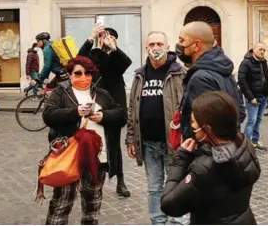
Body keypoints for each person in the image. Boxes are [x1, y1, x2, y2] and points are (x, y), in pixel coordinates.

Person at [42, 56, 126, 225]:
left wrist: (103, 116)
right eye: (78, 73)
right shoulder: (61, 92)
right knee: (61, 203)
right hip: (69, 156)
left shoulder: (101, 93)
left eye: (88, 73)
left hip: (97, 158)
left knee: (92, 204)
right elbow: (48, 115)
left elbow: (121, 115)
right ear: (70, 74)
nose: (84, 77)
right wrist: (75, 112)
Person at [161, 91, 261, 224]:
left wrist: (180, 160)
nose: (192, 127)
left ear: (207, 129)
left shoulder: (204, 168)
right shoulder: (244, 146)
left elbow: (169, 205)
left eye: (194, 124)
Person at [125, 31, 186, 225]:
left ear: (168, 47)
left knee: (175, 186)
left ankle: (178, 222)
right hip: (148, 142)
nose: (156, 48)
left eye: (160, 43)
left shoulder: (180, 73)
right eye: (152, 44)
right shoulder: (140, 75)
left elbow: (189, 106)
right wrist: (131, 139)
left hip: (173, 143)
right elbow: (132, 109)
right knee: (154, 188)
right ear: (146, 48)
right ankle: (158, 222)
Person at [78, 24, 133, 197]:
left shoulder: (118, 56)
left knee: (114, 146)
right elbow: (79, 59)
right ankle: (91, 180)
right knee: (91, 143)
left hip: (114, 107)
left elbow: (127, 62)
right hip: (95, 103)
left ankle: (120, 181)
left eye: (111, 37)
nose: (107, 40)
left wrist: (113, 47)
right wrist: (91, 38)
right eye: (104, 37)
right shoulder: (94, 56)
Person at [177, 21, 245, 139]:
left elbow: (202, 125)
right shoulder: (222, 69)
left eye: (182, 40)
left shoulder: (200, 78)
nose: (178, 44)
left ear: (196, 45)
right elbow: (241, 112)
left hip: (207, 152)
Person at [238, 42, 268, 152]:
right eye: (260, 49)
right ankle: (246, 145)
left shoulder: (263, 62)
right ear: (253, 49)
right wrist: (250, 97)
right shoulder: (245, 63)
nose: (262, 51)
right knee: (251, 121)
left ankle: (255, 141)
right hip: (253, 98)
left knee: (258, 120)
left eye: (264, 50)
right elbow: (242, 82)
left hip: (264, 96)